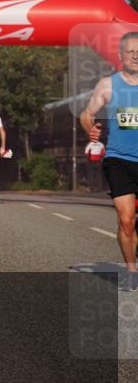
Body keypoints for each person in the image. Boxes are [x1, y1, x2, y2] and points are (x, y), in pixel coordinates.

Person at [81, 31, 138, 290]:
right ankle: (131, 272)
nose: (136, 55)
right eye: (131, 51)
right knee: (126, 220)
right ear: (121, 56)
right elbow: (86, 113)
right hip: (119, 159)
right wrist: (90, 130)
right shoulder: (107, 85)